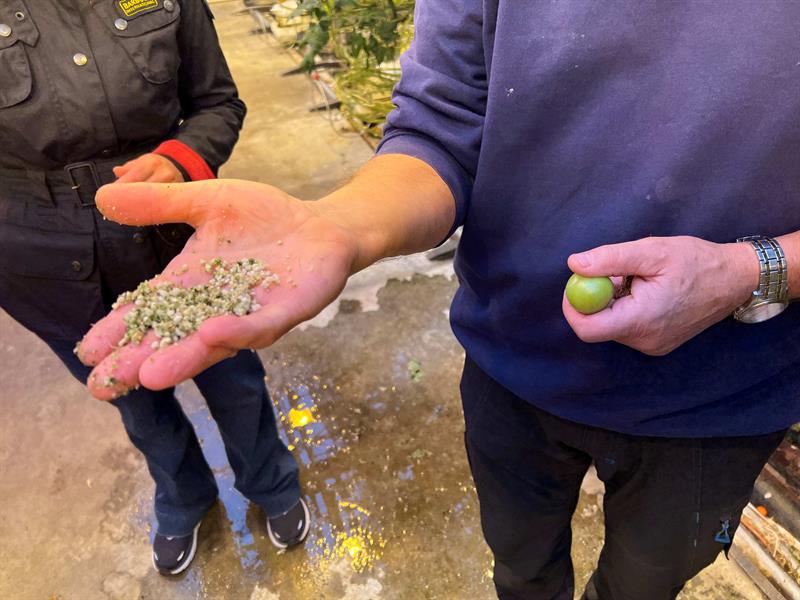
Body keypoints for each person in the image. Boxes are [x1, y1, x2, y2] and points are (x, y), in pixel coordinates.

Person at [77, 0, 800, 597]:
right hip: (512, 366)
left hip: (719, 399)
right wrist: (340, 226)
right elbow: (443, 124)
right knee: (519, 565)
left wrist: (757, 268)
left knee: (645, 584)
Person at [0, 0, 309, 577]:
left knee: (232, 372)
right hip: (43, 254)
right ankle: (184, 493)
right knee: (132, 394)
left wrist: (178, 160)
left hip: (172, 231)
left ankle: (271, 480)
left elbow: (218, 101)